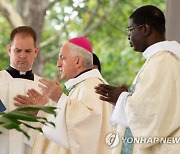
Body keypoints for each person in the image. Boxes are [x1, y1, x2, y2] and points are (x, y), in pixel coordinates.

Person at [95, 5, 180, 154]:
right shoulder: (157, 60)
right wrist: (126, 97)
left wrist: (122, 98)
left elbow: (153, 114)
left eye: (131, 29)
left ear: (145, 29)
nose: (128, 36)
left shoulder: (163, 61)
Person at [14, 37, 114, 154]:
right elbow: (66, 127)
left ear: (78, 61)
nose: (58, 64)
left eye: (62, 58)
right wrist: (42, 111)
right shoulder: (81, 86)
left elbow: (86, 128)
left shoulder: (93, 86)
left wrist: (60, 98)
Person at [0, 26, 42, 154]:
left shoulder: (45, 88)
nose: (22, 56)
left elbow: (55, 127)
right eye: (17, 50)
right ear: (9, 50)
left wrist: (39, 113)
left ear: (35, 51)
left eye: (28, 51)